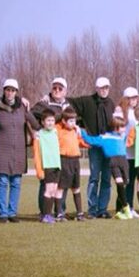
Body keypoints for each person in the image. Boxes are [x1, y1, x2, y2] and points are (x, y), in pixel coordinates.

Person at [0, 79, 40, 222]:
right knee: (3, 182)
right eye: (7, 89)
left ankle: (12, 213)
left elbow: (35, 123)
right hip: (2, 149)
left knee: (16, 183)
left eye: (13, 90)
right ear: (4, 91)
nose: (10, 92)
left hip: (18, 150)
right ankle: (3, 214)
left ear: (16, 92)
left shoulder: (22, 107)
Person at [68, 77, 116, 218]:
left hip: (108, 146)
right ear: (96, 88)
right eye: (102, 88)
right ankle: (92, 209)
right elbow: (69, 102)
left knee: (107, 179)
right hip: (94, 145)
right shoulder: (87, 101)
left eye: (106, 87)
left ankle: (103, 209)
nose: (104, 90)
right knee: (94, 177)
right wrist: (80, 125)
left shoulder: (111, 103)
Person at [31, 77, 71, 215]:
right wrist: (38, 131)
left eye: (60, 88)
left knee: (62, 182)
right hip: (48, 148)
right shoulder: (44, 102)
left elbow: (75, 118)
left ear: (65, 91)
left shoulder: (69, 104)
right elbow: (31, 114)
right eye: (55, 88)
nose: (57, 91)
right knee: (46, 182)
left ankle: (60, 211)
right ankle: (44, 211)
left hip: (62, 147)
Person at [80, 116, 133, 220]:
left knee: (124, 185)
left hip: (124, 162)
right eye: (121, 127)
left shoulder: (123, 136)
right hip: (113, 162)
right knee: (119, 183)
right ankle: (126, 208)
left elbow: (128, 140)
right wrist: (81, 132)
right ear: (115, 127)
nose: (124, 129)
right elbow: (91, 140)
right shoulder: (104, 137)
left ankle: (121, 210)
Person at [55, 106, 88, 221]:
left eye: (74, 120)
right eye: (70, 121)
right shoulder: (58, 129)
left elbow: (81, 142)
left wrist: (88, 142)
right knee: (60, 188)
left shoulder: (76, 130)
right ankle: (59, 213)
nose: (73, 123)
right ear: (64, 121)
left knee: (76, 187)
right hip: (64, 160)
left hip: (75, 161)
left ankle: (79, 213)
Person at [33, 109, 62, 224]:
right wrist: (39, 169)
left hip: (56, 165)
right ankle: (45, 215)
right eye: (48, 120)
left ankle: (49, 214)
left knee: (54, 190)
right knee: (48, 190)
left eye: (52, 120)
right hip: (47, 166)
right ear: (42, 122)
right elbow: (36, 154)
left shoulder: (55, 132)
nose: (50, 123)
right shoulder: (39, 135)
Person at [114, 87, 139, 210]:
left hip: (136, 153)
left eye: (135, 98)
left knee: (131, 182)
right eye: (131, 98)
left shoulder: (138, 112)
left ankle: (130, 206)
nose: (134, 100)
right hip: (124, 152)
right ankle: (122, 206)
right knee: (124, 182)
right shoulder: (120, 112)